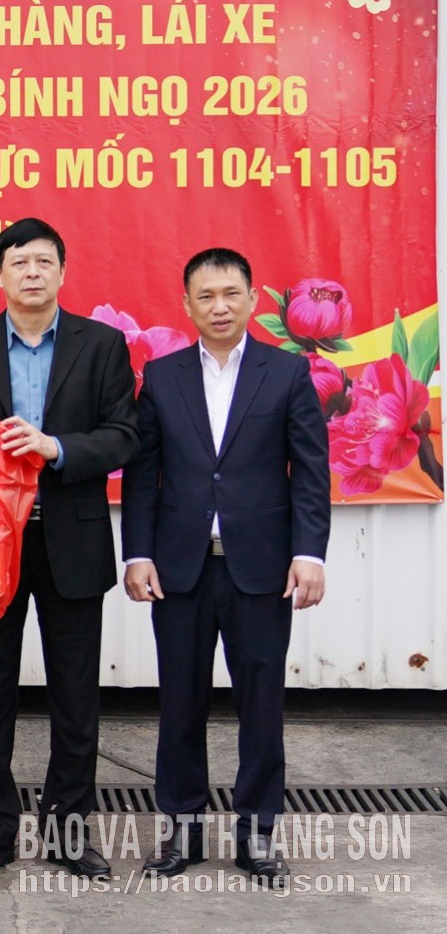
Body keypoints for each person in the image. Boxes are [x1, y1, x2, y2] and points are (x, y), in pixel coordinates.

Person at [121, 247, 329, 887]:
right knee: (179, 704)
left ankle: (257, 835)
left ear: (252, 299)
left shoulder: (287, 372)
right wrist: (138, 553)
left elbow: (310, 471)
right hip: (179, 570)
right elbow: (143, 474)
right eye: (206, 296)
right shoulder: (162, 376)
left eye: (231, 294)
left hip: (261, 568)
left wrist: (309, 553)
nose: (219, 307)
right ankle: (180, 831)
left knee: (261, 706)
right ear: (187, 304)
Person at [0, 217, 138, 883]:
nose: (31, 272)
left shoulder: (101, 344)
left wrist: (57, 448)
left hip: (71, 539)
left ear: (62, 272)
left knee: (76, 697)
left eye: (44, 261)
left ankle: (67, 831)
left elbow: (124, 434)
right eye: (19, 262)